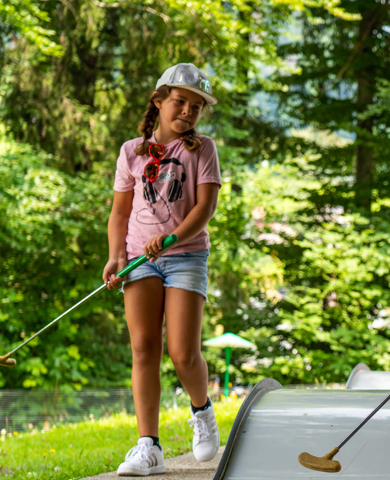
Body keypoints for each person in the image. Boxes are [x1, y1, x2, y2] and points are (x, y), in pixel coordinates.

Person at [103, 63, 222, 476]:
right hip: (139, 258)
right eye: (179, 101)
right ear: (158, 101)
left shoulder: (202, 149)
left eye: (195, 106)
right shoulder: (130, 152)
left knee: (183, 353)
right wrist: (116, 257)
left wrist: (171, 239)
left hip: (186, 256)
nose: (187, 111)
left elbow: (205, 208)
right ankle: (148, 446)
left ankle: (202, 410)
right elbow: (119, 214)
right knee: (143, 349)